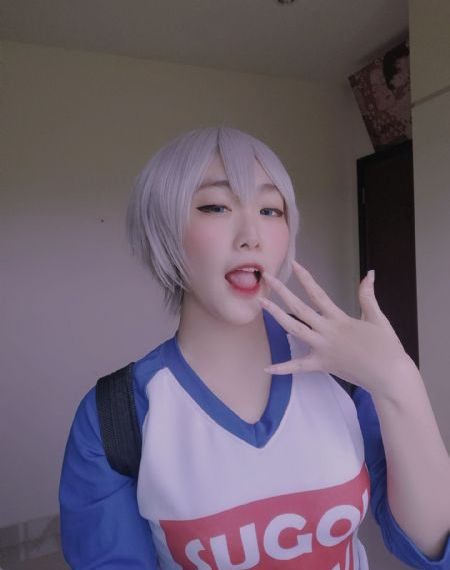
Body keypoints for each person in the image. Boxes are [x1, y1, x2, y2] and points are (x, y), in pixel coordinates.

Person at [59, 127, 450, 569]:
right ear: (163, 229)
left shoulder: (342, 372)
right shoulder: (115, 417)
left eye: (269, 210)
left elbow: (432, 548)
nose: (252, 236)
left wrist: (400, 381)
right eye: (215, 206)